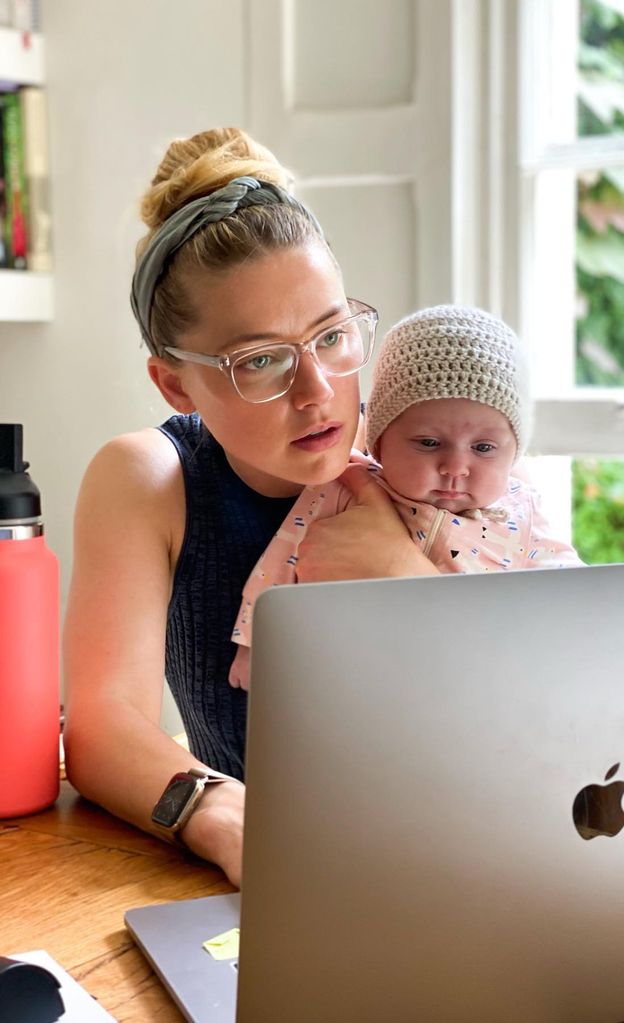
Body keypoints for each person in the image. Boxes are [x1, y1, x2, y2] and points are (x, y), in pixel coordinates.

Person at [61, 128, 437, 889]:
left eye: (331, 335)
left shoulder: (422, 450)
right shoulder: (149, 480)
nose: (318, 389)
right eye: (261, 359)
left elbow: (545, 708)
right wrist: (221, 814)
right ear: (174, 385)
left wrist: (407, 572)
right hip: (276, 883)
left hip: (449, 857)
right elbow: (101, 728)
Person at [228, 303, 583, 689]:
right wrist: (253, 642)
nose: (455, 466)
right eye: (429, 443)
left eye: (483, 448)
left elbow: (575, 597)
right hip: (361, 680)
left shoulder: (522, 511)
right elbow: (280, 561)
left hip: (472, 681)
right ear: (381, 442)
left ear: (513, 452)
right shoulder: (347, 487)